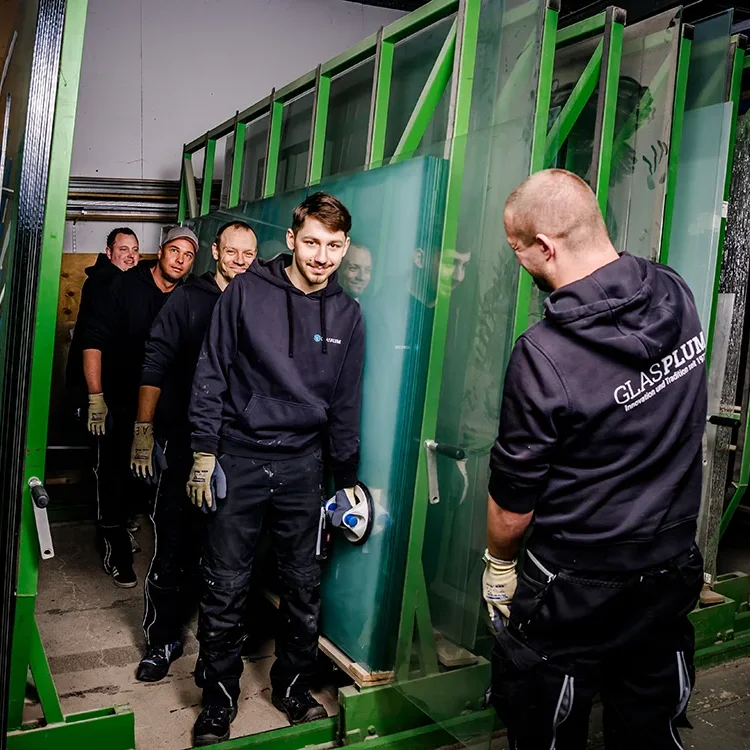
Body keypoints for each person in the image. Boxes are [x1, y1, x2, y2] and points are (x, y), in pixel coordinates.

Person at [483, 169, 707, 749]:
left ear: (546, 247)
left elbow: (513, 500)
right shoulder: (674, 290)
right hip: (670, 565)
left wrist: (500, 566)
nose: (520, 263)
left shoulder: (543, 354)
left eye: (518, 250)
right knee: (648, 725)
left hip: (576, 582)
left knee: (547, 724)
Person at [187, 192, 364, 746]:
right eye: (311, 242)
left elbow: (345, 402)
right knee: (226, 585)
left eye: (334, 246)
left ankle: (292, 688)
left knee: (303, 586)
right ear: (291, 240)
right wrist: (203, 451)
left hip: (303, 466)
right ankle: (217, 702)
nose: (322, 256)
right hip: (239, 455)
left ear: (345, 247)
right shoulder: (244, 292)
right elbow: (211, 370)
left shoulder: (347, 314)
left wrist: (347, 476)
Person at [132, 221, 257, 682]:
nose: (240, 261)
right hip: (185, 443)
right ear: (216, 250)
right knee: (173, 548)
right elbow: (155, 360)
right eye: (232, 251)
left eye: (249, 253)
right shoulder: (188, 299)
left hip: (239, 449)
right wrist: (144, 429)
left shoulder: (259, 300)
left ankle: (216, 651)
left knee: (226, 558)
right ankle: (162, 640)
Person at [80, 226, 197, 588]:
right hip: (118, 398)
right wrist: (95, 396)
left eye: (188, 255)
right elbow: (92, 341)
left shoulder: (188, 296)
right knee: (112, 471)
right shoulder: (124, 285)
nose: (180, 259)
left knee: (144, 475)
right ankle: (112, 541)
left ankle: (130, 526)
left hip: (164, 406)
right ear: (160, 252)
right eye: (175, 251)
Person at [65, 228, 140, 413]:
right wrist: (95, 396)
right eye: (123, 249)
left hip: (108, 382)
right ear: (109, 253)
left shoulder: (122, 280)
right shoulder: (104, 282)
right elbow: (93, 339)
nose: (130, 256)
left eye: (135, 250)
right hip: (98, 382)